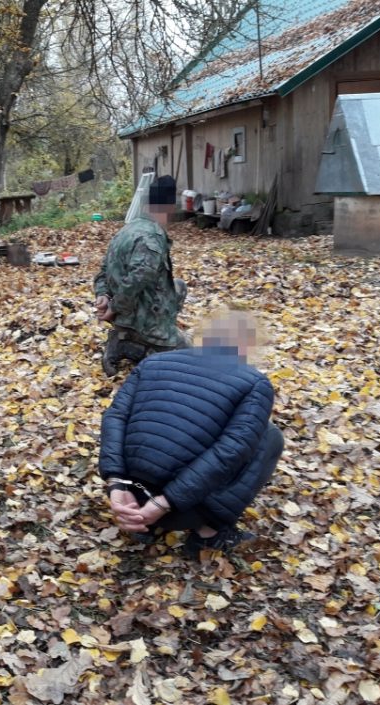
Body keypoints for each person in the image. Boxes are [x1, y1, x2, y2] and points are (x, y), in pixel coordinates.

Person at [98, 310, 284, 556]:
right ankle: (209, 533)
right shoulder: (255, 383)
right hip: (180, 509)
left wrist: (116, 483)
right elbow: (232, 449)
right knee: (270, 436)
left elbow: (115, 418)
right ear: (247, 346)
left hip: (130, 498)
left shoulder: (153, 362)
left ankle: (147, 527)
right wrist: (164, 504)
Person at [94, 175, 187, 377]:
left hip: (124, 310)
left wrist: (102, 294)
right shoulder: (151, 236)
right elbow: (138, 278)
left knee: (179, 285)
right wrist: (113, 307)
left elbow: (102, 271)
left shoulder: (126, 229)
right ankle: (139, 345)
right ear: (170, 207)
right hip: (134, 315)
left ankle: (128, 335)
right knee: (189, 356)